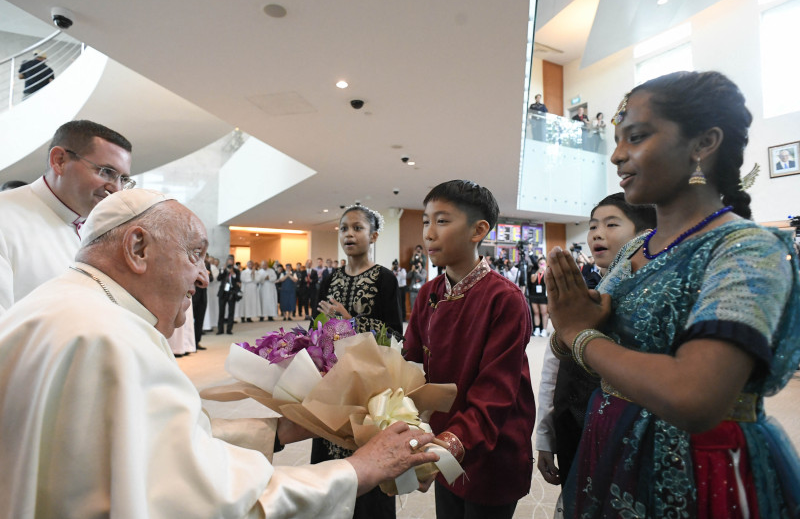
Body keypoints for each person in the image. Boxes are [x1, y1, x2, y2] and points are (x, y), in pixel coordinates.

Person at [0, 188, 440, 518]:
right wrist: (358, 470)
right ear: (137, 248)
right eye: (195, 255)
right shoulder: (114, 339)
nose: (203, 278)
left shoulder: (55, 305)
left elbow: (157, 443)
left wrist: (276, 432)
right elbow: (214, 496)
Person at [547, 71, 800, 518]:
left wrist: (579, 335)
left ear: (704, 144)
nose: (618, 156)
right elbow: (583, 333)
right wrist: (570, 323)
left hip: (701, 467)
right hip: (611, 447)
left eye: (637, 137)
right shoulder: (631, 251)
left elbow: (696, 397)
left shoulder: (747, 248)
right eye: (617, 140)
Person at [404, 180, 536, 519]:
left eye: (442, 221)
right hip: (444, 440)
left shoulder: (504, 299)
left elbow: (496, 395)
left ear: (478, 230)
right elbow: (411, 363)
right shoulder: (428, 292)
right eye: (425, 221)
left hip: (490, 447)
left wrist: (447, 446)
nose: (429, 233)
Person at [535, 193, 656, 488]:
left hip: (624, 435)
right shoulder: (581, 290)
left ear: (642, 235)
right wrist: (545, 434)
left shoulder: (651, 296)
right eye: (592, 226)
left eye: (611, 224)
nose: (597, 234)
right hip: (571, 427)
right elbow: (553, 369)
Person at [313, 204, 403, 519]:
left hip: (370, 387)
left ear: (373, 235)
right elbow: (316, 332)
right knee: (330, 472)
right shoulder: (328, 279)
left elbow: (395, 335)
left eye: (357, 228)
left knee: (368, 470)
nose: (349, 234)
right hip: (333, 384)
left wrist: (351, 322)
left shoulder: (385, 279)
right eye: (343, 228)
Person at [0, 119, 133, 316]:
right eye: (106, 172)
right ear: (59, 161)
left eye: (123, 179)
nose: (116, 188)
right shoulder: (5, 217)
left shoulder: (99, 229)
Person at [217, 255, 240, 334]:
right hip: (223, 293)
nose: (230, 263)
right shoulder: (223, 269)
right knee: (221, 312)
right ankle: (220, 330)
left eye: (232, 261)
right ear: (227, 262)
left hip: (232, 293)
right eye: (229, 261)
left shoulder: (236, 271)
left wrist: (232, 273)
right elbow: (219, 278)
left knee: (231, 312)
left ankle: (229, 329)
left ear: (233, 262)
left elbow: (238, 280)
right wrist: (223, 270)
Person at [529, 256, 549, 337]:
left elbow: (548, 282)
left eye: (543, 263)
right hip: (534, 294)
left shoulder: (547, 271)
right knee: (536, 312)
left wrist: (545, 272)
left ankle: (544, 329)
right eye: (540, 263)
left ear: (546, 263)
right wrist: (538, 272)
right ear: (538, 264)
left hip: (543, 295)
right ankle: (537, 328)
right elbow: (532, 280)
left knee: (544, 313)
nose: (541, 265)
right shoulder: (534, 271)